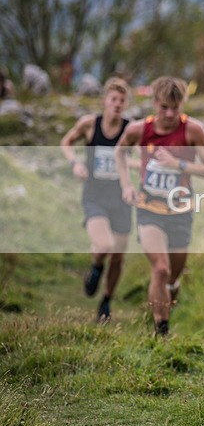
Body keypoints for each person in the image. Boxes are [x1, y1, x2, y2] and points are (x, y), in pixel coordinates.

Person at [115, 76, 204, 337]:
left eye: (176, 107)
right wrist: (126, 185)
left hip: (181, 211)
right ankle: (161, 330)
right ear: (154, 103)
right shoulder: (139, 130)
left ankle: (172, 289)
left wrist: (178, 164)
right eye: (164, 107)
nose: (170, 114)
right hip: (149, 209)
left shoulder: (193, 130)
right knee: (160, 269)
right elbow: (120, 152)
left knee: (172, 276)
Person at [60, 77, 133, 322]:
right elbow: (66, 142)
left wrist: (130, 164)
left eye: (122, 101)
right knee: (104, 245)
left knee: (119, 255)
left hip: (121, 197)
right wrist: (76, 163)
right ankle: (96, 267)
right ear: (105, 100)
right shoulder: (90, 125)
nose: (117, 104)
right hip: (94, 197)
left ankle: (105, 302)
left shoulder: (130, 129)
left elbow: (143, 156)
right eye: (113, 99)